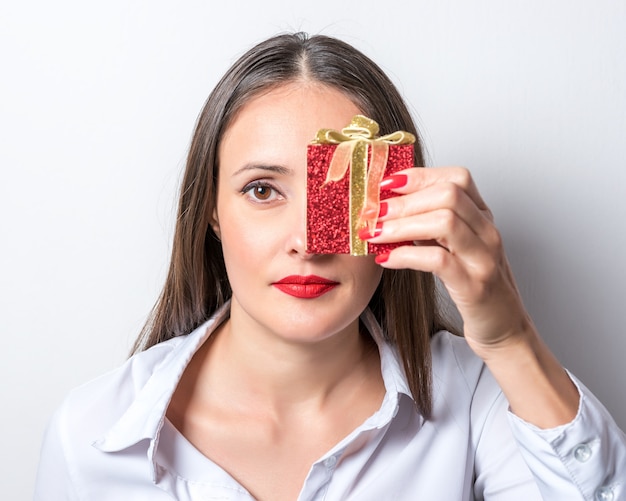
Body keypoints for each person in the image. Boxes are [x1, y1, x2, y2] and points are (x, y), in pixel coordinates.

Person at [34, 32, 625, 501]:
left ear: (400, 202)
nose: (307, 243)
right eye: (262, 190)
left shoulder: (478, 400)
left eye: (346, 191)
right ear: (211, 213)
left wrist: (510, 338)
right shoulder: (91, 437)